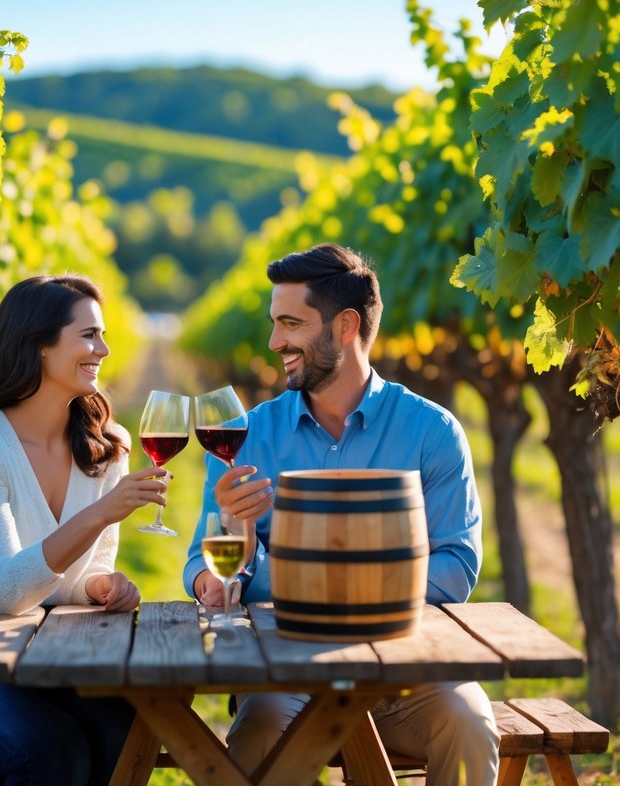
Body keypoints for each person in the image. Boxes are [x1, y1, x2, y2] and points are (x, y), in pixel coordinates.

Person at [181, 243, 499, 785]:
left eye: (290, 324)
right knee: (259, 731)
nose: (274, 341)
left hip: (408, 670)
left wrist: (324, 585)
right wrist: (225, 565)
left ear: (346, 326)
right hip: (285, 674)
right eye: (274, 323)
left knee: (469, 723)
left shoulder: (432, 431)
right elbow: (201, 565)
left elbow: (457, 567)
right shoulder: (244, 437)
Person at [0, 275, 168, 786]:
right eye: (88, 335)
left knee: (125, 725)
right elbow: (10, 589)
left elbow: (76, 578)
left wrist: (101, 586)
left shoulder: (108, 446)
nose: (103, 350)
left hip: (42, 658)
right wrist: (101, 513)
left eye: (103, 335)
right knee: (52, 754)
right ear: (40, 345)